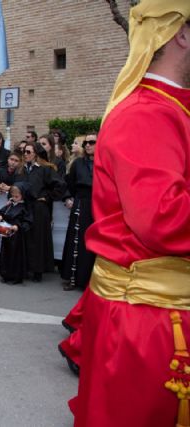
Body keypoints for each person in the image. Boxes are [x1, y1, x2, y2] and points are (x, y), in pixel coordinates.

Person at [71, 2, 190, 426]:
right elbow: (163, 219)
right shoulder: (147, 112)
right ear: (181, 33)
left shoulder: (173, 108)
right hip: (152, 320)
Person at [18, 141, 66, 282]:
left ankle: (38, 271)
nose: (25, 154)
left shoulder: (45, 169)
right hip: (25, 207)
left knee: (38, 240)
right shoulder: (22, 169)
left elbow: (60, 185)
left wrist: (47, 197)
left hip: (39, 209)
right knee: (25, 238)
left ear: (36, 154)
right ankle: (25, 267)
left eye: (28, 152)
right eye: (24, 152)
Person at [61, 134, 96, 291]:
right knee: (76, 242)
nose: (88, 145)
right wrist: (69, 197)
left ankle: (91, 280)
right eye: (86, 143)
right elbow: (68, 184)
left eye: (91, 142)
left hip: (97, 205)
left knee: (93, 242)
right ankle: (73, 278)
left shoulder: (104, 163)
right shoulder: (78, 164)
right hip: (81, 204)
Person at [0, 183, 32, 284]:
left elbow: (28, 221)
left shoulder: (24, 207)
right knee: (5, 254)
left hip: (17, 237)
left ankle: (15, 277)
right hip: (6, 234)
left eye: (17, 196)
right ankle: (5, 274)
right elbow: (1, 212)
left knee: (15, 256)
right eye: (13, 196)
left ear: (22, 196)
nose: (14, 198)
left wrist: (18, 226)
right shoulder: (9, 205)